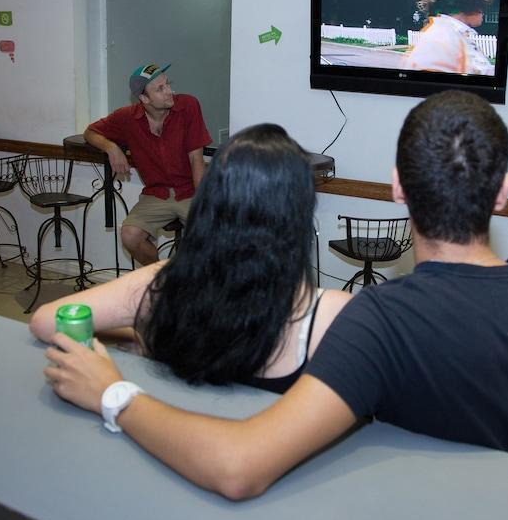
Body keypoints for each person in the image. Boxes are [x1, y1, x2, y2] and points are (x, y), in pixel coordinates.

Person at [41, 90, 508, 500]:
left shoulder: (381, 321)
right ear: (502, 194)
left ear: (398, 186)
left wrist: (114, 395)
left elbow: (239, 466)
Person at [32, 124, 351, 392]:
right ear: (298, 214)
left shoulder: (163, 281)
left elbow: (46, 321)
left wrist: (137, 331)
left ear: (210, 203)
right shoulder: (330, 311)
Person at [84, 62, 211, 265]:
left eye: (167, 84)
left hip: (191, 191)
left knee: (215, 235)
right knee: (129, 235)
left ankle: (206, 292)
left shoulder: (188, 105)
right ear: (144, 99)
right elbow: (90, 132)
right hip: (156, 194)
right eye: (160, 89)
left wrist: (204, 202)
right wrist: (111, 147)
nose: (169, 91)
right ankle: (159, 281)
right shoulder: (126, 117)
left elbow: (196, 159)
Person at [404, 0, 496, 76]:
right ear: (469, 6)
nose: (483, 13)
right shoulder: (441, 39)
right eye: (481, 6)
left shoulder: (452, 34)